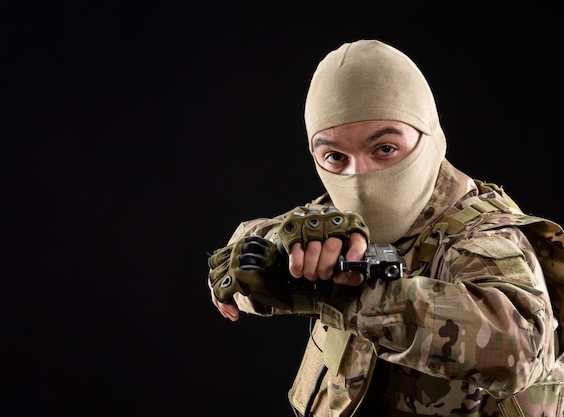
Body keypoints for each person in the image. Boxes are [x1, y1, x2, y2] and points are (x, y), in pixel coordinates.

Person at [206, 39, 564, 417]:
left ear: (427, 134)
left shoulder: (481, 237)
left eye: (385, 149)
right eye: (335, 157)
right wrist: (265, 258)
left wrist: (346, 295)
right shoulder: (335, 218)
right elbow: (255, 241)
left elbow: (520, 351)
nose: (359, 177)